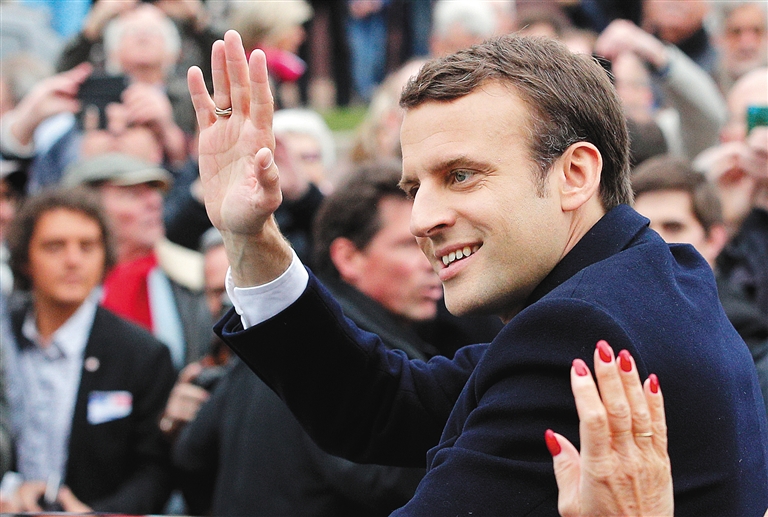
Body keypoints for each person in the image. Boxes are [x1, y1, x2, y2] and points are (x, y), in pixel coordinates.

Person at [187, 30, 768, 515]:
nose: (423, 219)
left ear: (574, 175)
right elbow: (385, 406)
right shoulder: (652, 278)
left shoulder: (583, 330)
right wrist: (251, 236)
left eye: (460, 176)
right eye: (414, 188)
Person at [0, 187, 175, 512]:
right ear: (25, 259)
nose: (73, 260)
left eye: (87, 246)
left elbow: (156, 471)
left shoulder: (142, 354)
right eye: (54, 246)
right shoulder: (5, 337)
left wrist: (94, 514)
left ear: (105, 255)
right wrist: (8, 492)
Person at [631, 154, 768, 417]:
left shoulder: (740, 330)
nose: (655, 243)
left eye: (674, 227)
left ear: (714, 239)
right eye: (642, 230)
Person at [62, 153, 211, 370]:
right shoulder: (59, 286)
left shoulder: (195, 277)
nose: (155, 202)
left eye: (154, 192)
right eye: (133, 195)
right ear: (87, 209)